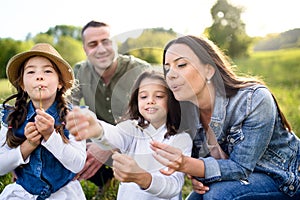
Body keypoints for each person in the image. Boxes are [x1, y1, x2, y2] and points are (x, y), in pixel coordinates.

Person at [149, 35, 300, 199]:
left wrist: (188, 165)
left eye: (181, 65)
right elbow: (203, 165)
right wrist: (197, 175)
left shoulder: (253, 100)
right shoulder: (187, 114)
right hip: (235, 180)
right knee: (195, 198)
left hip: (282, 180)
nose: (171, 74)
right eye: (167, 68)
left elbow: (241, 167)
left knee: (218, 195)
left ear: (209, 70)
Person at [66, 70, 193, 199]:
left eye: (159, 96)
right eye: (143, 97)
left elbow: (173, 186)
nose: (150, 101)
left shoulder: (181, 139)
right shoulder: (132, 128)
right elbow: (114, 136)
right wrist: (98, 130)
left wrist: (142, 178)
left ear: (172, 100)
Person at [0, 43, 87, 200]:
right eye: (31, 72)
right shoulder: (11, 118)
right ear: (22, 85)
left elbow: (77, 164)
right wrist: (28, 146)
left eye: (47, 71)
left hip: (62, 194)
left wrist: (50, 136)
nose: (39, 76)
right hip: (24, 194)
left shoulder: (73, 116)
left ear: (60, 83)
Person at [71, 20, 151, 190]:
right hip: (100, 136)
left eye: (106, 41)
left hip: (136, 140)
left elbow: (154, 119)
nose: (101, 49)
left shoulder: (141, 70)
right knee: (69, 138)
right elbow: (63, 108)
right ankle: (106, 181)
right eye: (93, 44)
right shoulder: (79, 71)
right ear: (85, 49)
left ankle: (135, 182)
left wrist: (109, 145)